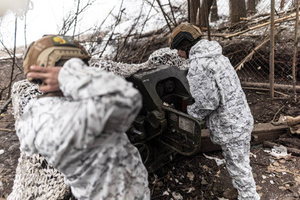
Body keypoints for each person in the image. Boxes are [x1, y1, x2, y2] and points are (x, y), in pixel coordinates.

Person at [14, 35, 150, 200]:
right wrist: (70, 75)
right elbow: (127, 100)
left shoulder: (45, 111)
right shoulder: (57, 116)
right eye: (77, 67)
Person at [169, 23, 260, 200]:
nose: (179, 54)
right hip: (240, 117)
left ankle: (248, 196)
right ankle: (239, 190)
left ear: (187, 46)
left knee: (238, 165)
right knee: (239, 162)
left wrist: (187, 115)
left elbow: (206, 102)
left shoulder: (200, 64)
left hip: (230, 124)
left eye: (179, 50)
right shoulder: (216, 56)